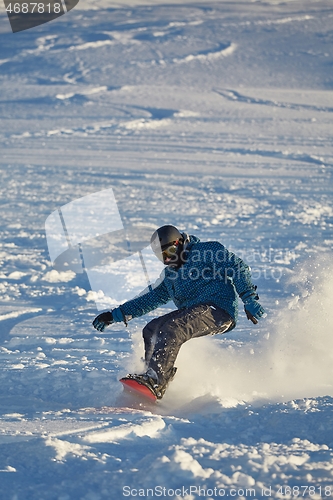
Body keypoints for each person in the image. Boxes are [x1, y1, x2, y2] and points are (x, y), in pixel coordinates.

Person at [92, 225, 266, 399]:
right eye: (162, 256)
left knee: (172, 329)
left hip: (218, 309)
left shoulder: (206, 251)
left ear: (181, 242)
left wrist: (249, 298)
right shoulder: (170, 276)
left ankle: (156, 381)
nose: (168, 259)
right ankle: (148, 377)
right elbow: (148, 299)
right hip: (193, 311)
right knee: (151, 329)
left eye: (171, 251)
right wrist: (114, 315)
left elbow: (236, 266)